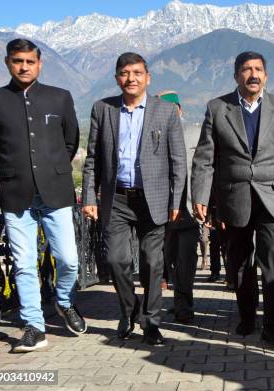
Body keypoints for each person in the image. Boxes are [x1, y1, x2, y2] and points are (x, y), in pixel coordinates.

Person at [190, 51, 274, 348]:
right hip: (235, 199)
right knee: (239, 263)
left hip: (273, 198)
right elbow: (205, 158)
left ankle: (270, 324)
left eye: (258, 69)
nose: (252, 74)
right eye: (246, 69)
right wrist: (200, 196)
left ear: (266, 75)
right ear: (236, 75)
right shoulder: (218, 108)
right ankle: (246, 318)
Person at [82, 53, 187, 345]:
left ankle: (151, 323)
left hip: (153, 199)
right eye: (125, 73)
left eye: (137, 73)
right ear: (117, 78)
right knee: (116, 259)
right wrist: (89, 196)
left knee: (153, 263)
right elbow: (92, 159)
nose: (131, 78)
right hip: (116, 199)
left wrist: (177, 200)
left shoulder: (165, 112)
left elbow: (178, 161)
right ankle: (130, 310)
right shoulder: (103, 109)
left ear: (148, 77)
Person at [0, 38, 85, 353]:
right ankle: (34, 326)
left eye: (30, 61)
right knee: (24, 262)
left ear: (39, 63)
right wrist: (18, 168)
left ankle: (64, 301)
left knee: (69, 259)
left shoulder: (60, 98)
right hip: (16, 193)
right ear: (8, 63)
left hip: (56, 191)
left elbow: (71, 140)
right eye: (18, 61)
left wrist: (52, 168)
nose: (24, 66)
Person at [157, 90, 198, 324]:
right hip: (159, 210)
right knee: (164, 258)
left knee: (186, 259)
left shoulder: (195, 133)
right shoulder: (151, 134)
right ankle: (174, 301)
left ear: (180, 109)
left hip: (188, 209)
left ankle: (184, 304)